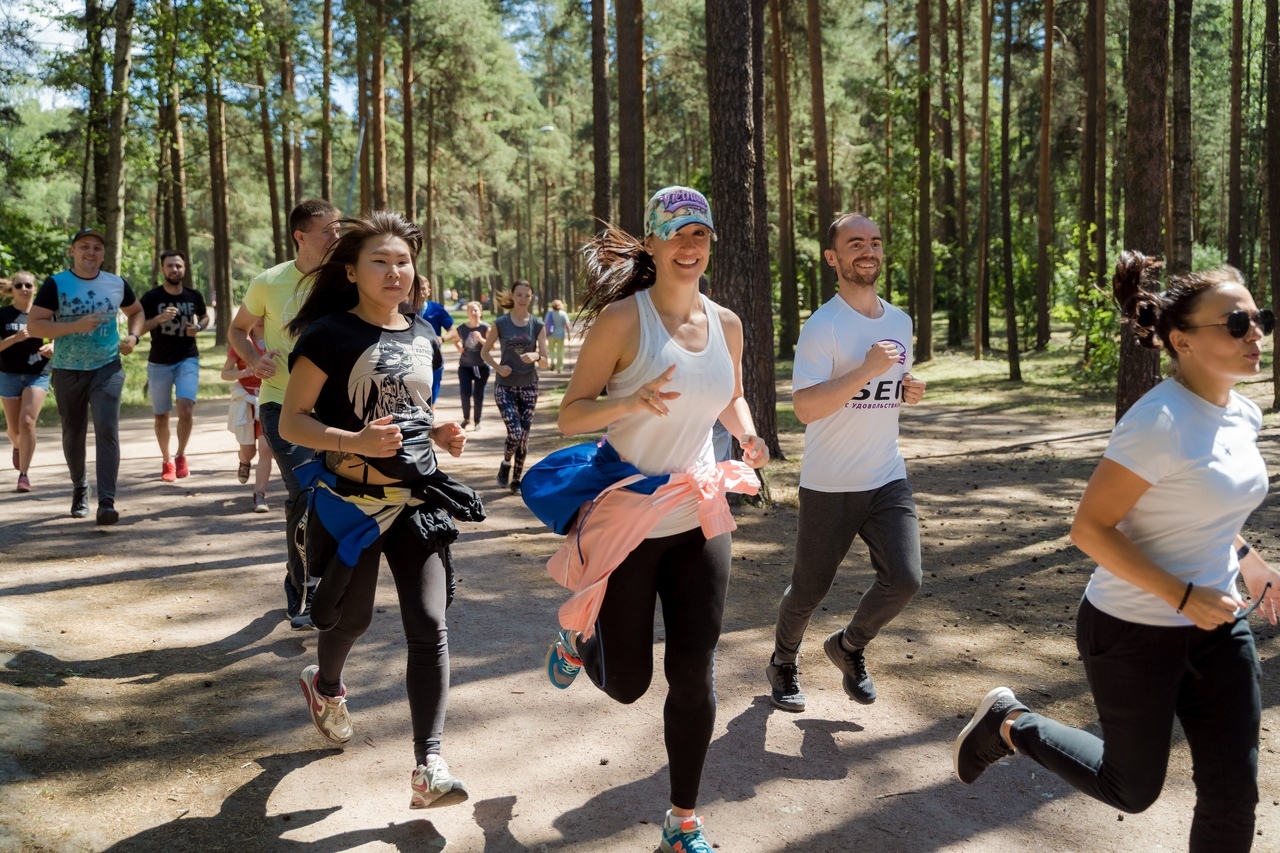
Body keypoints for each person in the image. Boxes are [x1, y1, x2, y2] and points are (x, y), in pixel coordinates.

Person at [954, 252, 1280, 853]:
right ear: (1181, 340)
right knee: (1131, 788)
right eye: (1236, 324)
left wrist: (1246, 556)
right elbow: (1092, 528)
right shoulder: (1157, 420)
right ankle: (1010, 724)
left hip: (1217, 625)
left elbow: (1200, 503)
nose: (1255, 333)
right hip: (1132, 629)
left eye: (1261, 319)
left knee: (1235, 794)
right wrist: (1181, 594)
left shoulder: (1244, 413)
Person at [536, 186, 769, 853]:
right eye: (679, 235)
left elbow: (730, 395)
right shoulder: (623, 321)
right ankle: (578, 643)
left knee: (696, 669)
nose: (691, 247)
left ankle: (683, 819)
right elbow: (572, 412)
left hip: (696, 508)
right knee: (631, 683)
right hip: (631, 515)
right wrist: (628, 401)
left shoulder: (725, 322)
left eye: (702, 235)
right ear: (655, 244)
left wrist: (747, 437)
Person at [278, 210, 481, 812]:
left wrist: (440, 433)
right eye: (380, 261)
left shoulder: (423, 333)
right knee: (353, 619)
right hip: (353, 505)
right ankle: (328, 685)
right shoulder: (328, 336)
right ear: (351, 270)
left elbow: (411, 410)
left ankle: (429, 763)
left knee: (430, 623)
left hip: (417, 499)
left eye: (403, 261)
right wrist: (354, 442)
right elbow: (293, 423)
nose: (395, 271)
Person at [765, 214, 926, 713]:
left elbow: (886, 388)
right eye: (855, 244)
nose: (868, 251)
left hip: (885, 476)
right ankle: (783, 662)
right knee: (809, 589)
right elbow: (807, 409)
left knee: (905, 579)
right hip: (829, 483)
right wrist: (867, 370)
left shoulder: (900, 322)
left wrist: (906, 387)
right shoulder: (823, 326)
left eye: (875, 242)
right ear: (833, 258)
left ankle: (848, 647)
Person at [230, 199, 341, 629]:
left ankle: (328, 582)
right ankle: (303, 591)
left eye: (338, 229)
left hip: (336, 408)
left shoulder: (347, 280)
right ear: (301, 236)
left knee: (335, 495)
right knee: (307, 494)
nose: (336, 236)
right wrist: (253, 361)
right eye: (328, 230)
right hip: (281, 403)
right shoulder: (268, 282)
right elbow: (238, 329)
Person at [28, 228, 145, 525]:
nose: (90, 253)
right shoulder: (56, 283)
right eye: (84, 247)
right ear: (72, 251)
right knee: (73, 432)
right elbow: (36, 325)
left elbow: (137, 312)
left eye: (96, 248)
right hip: (68, 368)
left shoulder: (116, 283)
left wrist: (133, 338)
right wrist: (74, 326)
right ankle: (80, 486)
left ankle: (107, 501)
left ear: (103, 255)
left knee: (107, 428)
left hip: (107, 367)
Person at [139, 250, 209, 482]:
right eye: (170, 266)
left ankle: (181, 455)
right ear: (162, 270)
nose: (174, 270)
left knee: (186, 408)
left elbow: (206, 316)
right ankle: (166, 460)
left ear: (184, 268)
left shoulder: (193, 295)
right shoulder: (151, 298)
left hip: (187, 358)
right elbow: (137, 327)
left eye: (178, 266)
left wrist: (198, 328)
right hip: (159, 362)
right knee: (161, 416)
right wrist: (158, 319)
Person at [480, 279, 547, 494]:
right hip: (505, 387)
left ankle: (516, 479)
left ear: (531, 297)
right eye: (519, 295)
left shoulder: (537, 325)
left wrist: (537, 355)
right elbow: (485, 352)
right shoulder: (501, 323)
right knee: (515, 432)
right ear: (513, 295)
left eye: (527, 295)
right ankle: (506, 462)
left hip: (529, 385)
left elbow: (546, 361)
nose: (523, 299)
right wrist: (498, 368)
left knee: (524, 436)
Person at [0, 271, 53, 492]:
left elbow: (59, 337)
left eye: (28, 285)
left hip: (38, 373)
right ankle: (16, 445)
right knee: (14, 429)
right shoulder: (2, 315)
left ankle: (24, 475)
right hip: (8, 374)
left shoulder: (45, 315)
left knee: (28, 422)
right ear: (12, 289)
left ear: (34, 289)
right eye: (19, 285)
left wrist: (53, 346)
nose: (24, 289)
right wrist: (16, 338)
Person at [221, 318, 273, 512]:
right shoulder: (242, 342)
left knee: (266, 449)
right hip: (246, 401)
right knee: (249, 451)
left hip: (268, 399)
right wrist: (244, 373)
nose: (259, 320)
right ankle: (244, 461)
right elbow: (225, 373)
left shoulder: (277, 339)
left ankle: (259, 496)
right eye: (255, 316)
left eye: (264, 315)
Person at [417, 276, 455, 405]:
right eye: (416, 288)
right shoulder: (404, 309)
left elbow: (453, 331)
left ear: (429, 291)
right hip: (413, 359)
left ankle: (431, 420)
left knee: (432, 391)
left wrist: (442, 338)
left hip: (434, 358)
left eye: (423, 288)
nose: (420, 291)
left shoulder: (437, 309)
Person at [454, 301, 490, 431]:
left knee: (478, 395)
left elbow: (491, 346)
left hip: (481, 367)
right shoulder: (462, 328)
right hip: (465, 366)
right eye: (471, 310)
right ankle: (466, 419)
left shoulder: (486, 328)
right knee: (465, 394)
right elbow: (456, 340)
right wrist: (459, 347)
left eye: (476, 310)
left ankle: (477, 421)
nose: (474, 313)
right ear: (467, 313)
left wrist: (480, 339)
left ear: (480, 312)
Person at [543, 299, 570, 372]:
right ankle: (559, 367)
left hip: (550, 335)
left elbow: (545, 324)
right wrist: (569, 334)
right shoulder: (563, 314)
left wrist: (544, 334)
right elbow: (567, 325)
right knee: (560, 351)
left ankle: (552, 362)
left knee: (551, 350)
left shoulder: (549, 313)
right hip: (560, 335)